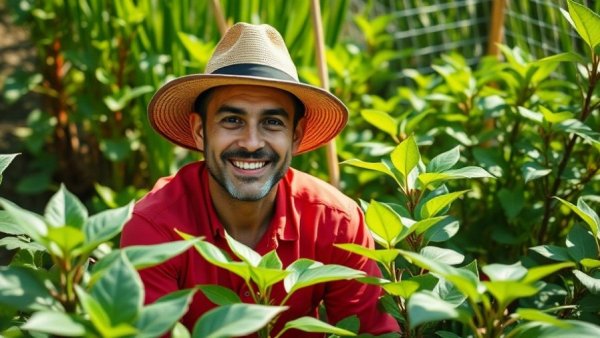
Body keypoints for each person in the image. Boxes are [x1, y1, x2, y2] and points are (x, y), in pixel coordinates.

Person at [120, 22, 400, 337]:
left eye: (271, 122)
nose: (252, 143)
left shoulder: (336, 222)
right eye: (232, 120)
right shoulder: (155, 228)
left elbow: (372, 332)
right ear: (200, 132)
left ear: (295, 136)